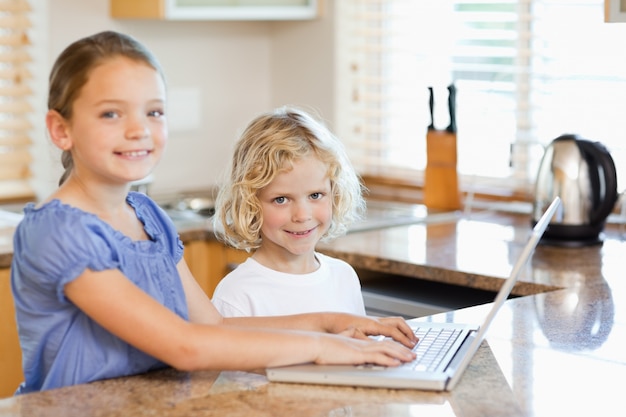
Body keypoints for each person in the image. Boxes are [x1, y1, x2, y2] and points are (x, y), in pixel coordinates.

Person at [9, 30, 417, 394]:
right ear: (61, 129)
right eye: (111, 114)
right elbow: (185, 345)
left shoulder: (147, 216)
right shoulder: (56, 231)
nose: (139, 130)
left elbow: (213, 327)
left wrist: (332, 323)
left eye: (153, 111)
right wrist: (323, 347)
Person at [212, 107, 367, 317]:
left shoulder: (344, 277)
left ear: (335, 193)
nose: (302, 216)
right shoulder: (236, 296)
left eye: (315, 195)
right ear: (250, 203)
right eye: (281, 200)